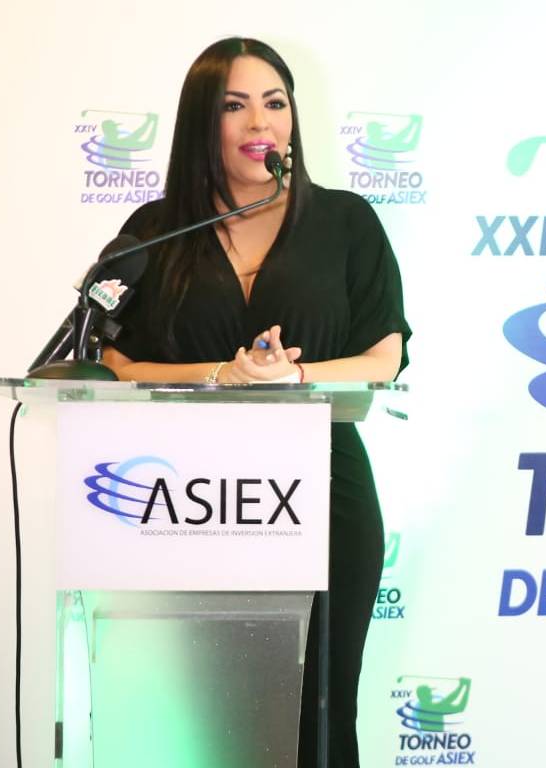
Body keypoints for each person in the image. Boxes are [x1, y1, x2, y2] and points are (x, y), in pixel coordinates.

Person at [101, 37, 411, 768]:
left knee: (322, 712)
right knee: (216, 720)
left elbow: (384, 356)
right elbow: (112, 360)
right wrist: (222, 374)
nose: (259, 122)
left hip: (324, 489)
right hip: (190, 496)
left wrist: (290, 379)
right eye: (234, 105)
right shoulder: (155, 231)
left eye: (274, 103)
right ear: (201, 121)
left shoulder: (346, 222)